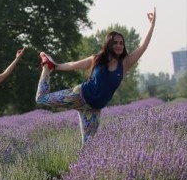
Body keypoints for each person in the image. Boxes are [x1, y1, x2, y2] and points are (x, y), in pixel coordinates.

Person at [35, 8, 156, 144]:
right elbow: (74, 65)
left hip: (93, 109)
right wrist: (54, 66)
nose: (119, 46)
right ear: (108, 44)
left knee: (89, 146)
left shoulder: (125, 64)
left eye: (121, 43)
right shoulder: (97, 59)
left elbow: (143, 47)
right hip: (79, 96)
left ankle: (80, 166)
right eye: (115, 43)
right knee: (42, 99)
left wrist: (151, 25)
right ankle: (46, 67)